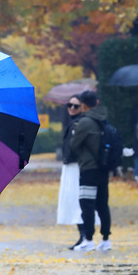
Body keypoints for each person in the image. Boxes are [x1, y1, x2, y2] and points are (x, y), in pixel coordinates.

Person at [69, 89, 112, 251]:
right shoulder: (104, 120)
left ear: (84, 105)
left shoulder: (85, 122)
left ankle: (88, 239)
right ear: (97, 103)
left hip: (88, 168)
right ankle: (106, 239)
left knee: (87, 204)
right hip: (103, 167)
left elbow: (74, 145)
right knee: (102, 204)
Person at [57, 97, 85, 248]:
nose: (72, 108)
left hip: (76, 167)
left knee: (77, 201)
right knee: (73, 201)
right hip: (71, 166)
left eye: (76, 105)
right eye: (69, 105)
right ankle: (83, 236)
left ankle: (84, 236)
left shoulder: (79, 123)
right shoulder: (72, 122)